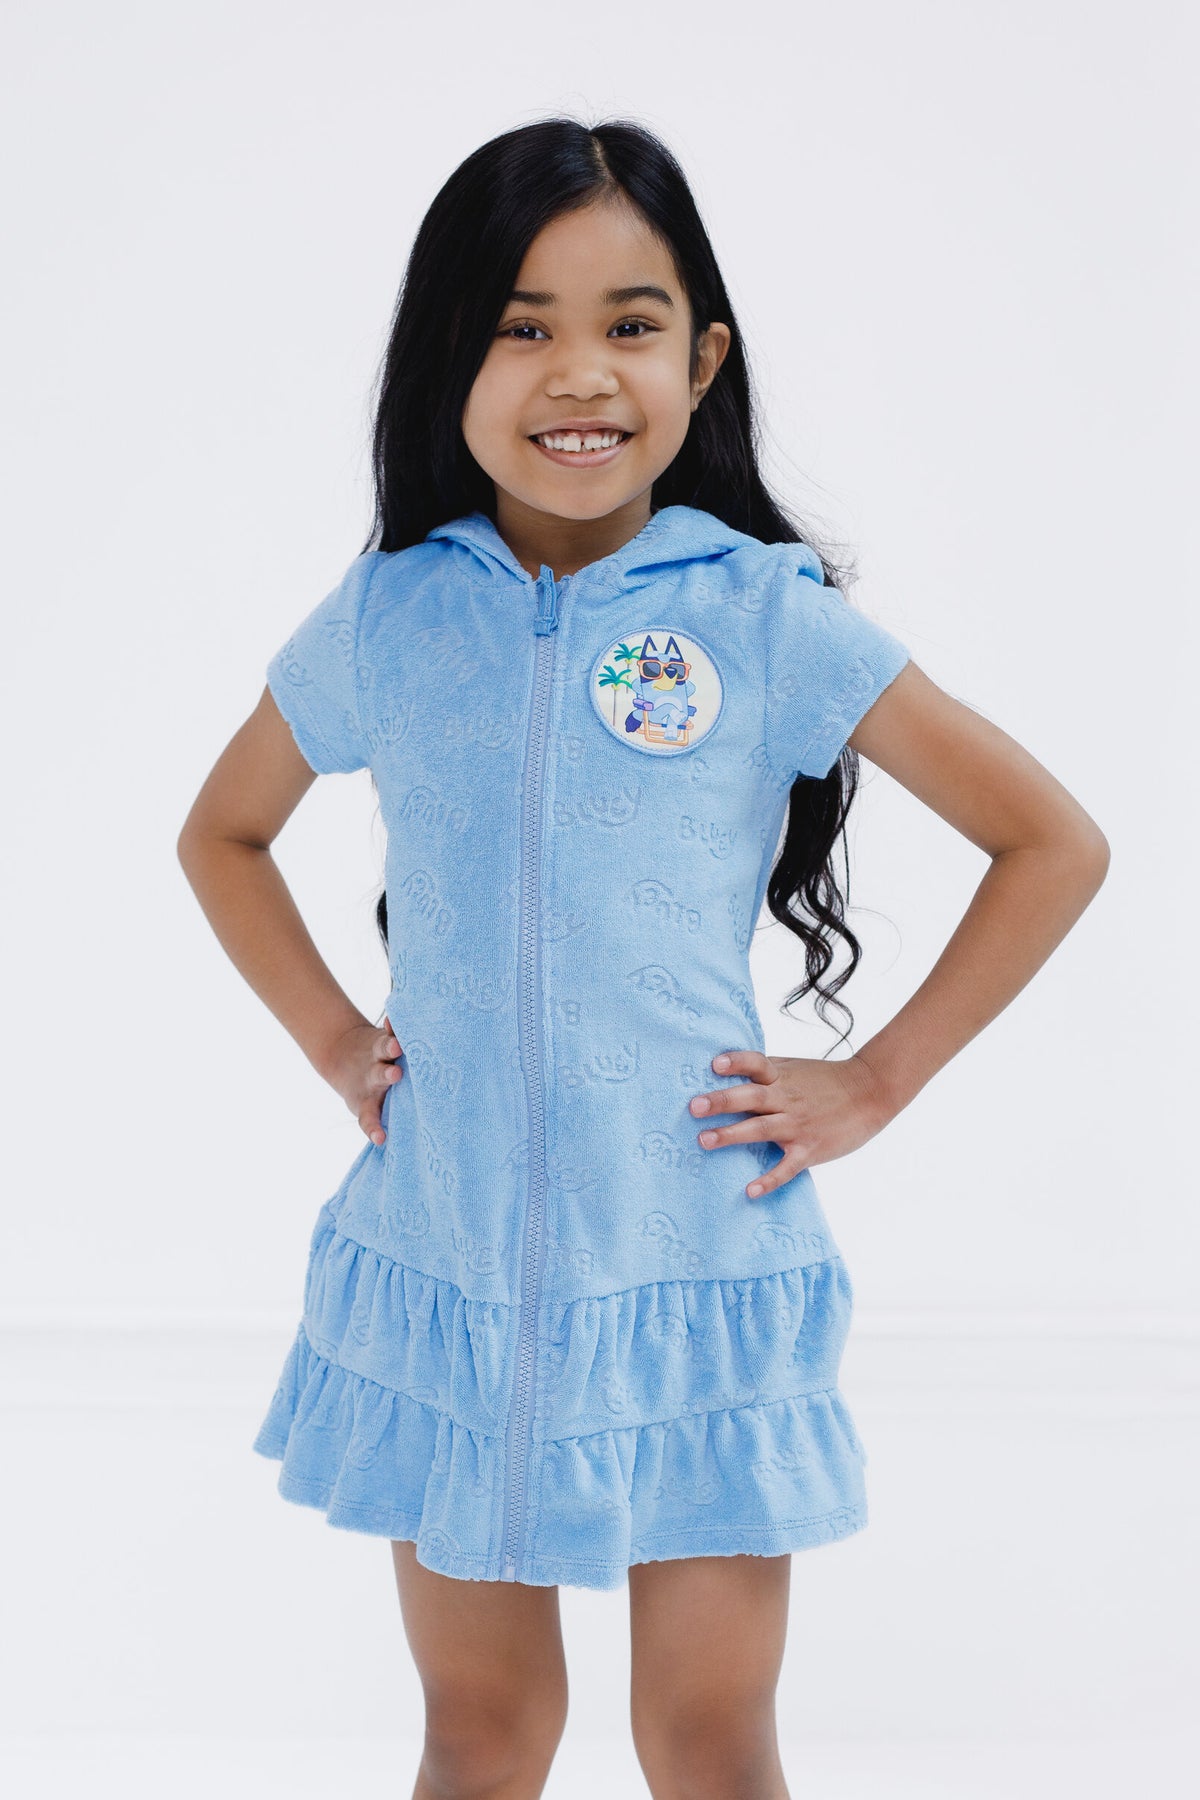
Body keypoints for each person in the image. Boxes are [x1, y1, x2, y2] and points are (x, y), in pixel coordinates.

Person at [177, 116, 1109, 1800]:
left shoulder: (764, 614)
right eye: (520, 324)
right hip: (451, 1262)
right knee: (480, 1735)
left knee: (706, 1738)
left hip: (693, 1272)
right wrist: (328, 1036)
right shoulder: (392, 614)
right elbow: (220, 835)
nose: (578, 373)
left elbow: (1053, 842)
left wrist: (878, 1079)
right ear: (448, 358)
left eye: (629, 323)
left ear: (703, 361)